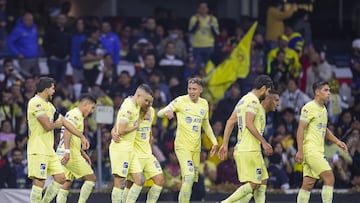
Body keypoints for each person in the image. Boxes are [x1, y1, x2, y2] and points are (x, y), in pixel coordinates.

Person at [27, 77, 90, 203]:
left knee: (61, 178)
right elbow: (47, 126)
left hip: (49, 150)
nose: (54, 91)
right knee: (40, 181)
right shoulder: (35, 103)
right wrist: (58, 124)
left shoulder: (49, 106)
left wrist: (81, 136)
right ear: (46, 89)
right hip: (38, 149)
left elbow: (65, 122)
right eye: (52, 88)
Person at [157, 77, 218, 202]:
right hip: (182, 146)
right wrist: (167, 112)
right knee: (189, 177)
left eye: (194, 89)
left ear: (201, 90)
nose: (191, 91)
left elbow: (205, 124)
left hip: (195, 148)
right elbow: (160, 113)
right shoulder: (180, 101)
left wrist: (215, 142)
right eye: (189, 89)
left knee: (189, 180)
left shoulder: (204, 104)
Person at [218, 75, 273, 203]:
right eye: (269, 91)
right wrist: (264, 142)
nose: (268, 94)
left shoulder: (243, 100)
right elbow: (249, 123)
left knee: (263, 180)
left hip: (246, 148)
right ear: (264, 88)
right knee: (254, 183)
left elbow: (230, 121)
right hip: (249, 149)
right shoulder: (253, 101)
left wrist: (225, 144)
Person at [295, 81, 348, 203]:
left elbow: (324, 128)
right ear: (317, 92)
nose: (329, 93)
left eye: (329, 90)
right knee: (329, 177)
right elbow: (300, 129)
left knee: (308, 184)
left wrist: (337, 142)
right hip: (310, 150)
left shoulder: (323, 109)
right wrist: (300, 151)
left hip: (317, 150)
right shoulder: (309, 107)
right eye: (326, 90)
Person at [109, 84, 154, 203]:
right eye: (146, 101)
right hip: (121, 147)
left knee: (139, 180)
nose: (148, 104)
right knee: (119, 182)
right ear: (138, 96)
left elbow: (118, 123)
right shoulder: (129, 107)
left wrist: (113, 129)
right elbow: (121, 130)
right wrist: (135, 127)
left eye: (149, 102)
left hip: (130, 149)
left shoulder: (134, 103)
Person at [55, 94, 97, 203]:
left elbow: (73, 137)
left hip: (62, 152)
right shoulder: (76, 115)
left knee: (66, 184)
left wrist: (83, 153)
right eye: (92, 107)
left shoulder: (72, 113)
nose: (92, 111)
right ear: (85, 104)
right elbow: (68, 131)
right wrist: (68, 151)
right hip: (70, 154)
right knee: (91, 179)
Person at [118, 105, 164, 203]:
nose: (149, 108)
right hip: (134, 155)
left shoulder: (152, 111)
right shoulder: (132, 114)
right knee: (130, 184)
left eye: (151, 103)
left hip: (147, 155)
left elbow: (149, 130)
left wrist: (150, 147)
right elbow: (121, 131)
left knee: (159, 180)